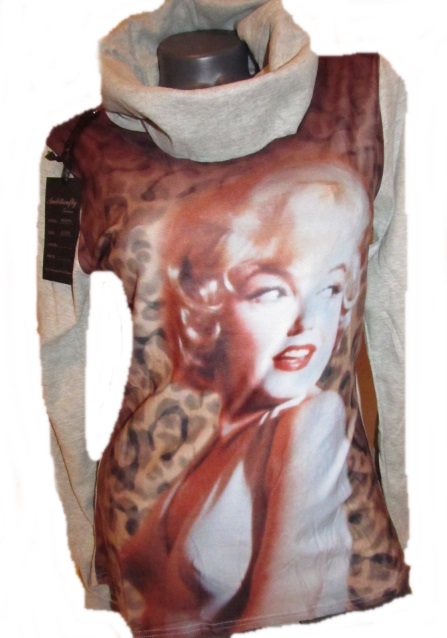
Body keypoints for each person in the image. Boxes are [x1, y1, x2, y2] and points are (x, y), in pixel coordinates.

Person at [119, 161, 372, 635]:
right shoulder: (230, 437)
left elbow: (282, 612)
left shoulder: (311, 420)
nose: (306, 323)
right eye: (272, 291)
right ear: (209, 308)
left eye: (330, 288)